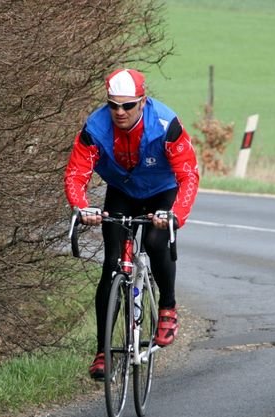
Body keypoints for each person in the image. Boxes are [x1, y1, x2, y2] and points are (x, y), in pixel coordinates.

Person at [64, 68, 200, 381]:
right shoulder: (95, 128)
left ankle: (167, 307)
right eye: (113, 105)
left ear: (142, 101)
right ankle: (102, 352)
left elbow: (188, 174)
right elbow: (76, 174)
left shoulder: (165, 125)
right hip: (122, 192)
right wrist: (82, 207)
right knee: (111, 265)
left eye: (128, 105)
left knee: (154, 242)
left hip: (161, 192)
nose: (120, 112)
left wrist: (176, 213)